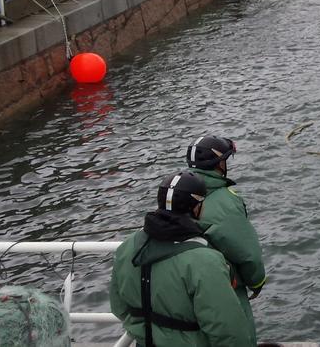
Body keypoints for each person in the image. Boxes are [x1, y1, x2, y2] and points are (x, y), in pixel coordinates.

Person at [108, 171, 254, 347]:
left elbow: (118, 307)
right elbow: (230, 333)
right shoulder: (205, 260)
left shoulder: (128, 247)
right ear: (196, 207)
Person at [185, 136, 268, 344]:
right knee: (239, 330)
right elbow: (247, 252)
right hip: (222, 282)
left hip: (185, 284)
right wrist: (256, 282)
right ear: (219, 164)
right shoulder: (225, 201)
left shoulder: (179, 193)